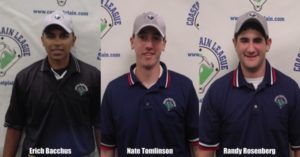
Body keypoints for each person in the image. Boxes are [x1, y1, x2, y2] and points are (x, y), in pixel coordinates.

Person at [198, 11, 300, 157]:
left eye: (257, 40)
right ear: (235, 43)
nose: (251, 48)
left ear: (268, 44)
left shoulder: (290, 90)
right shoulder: (217, 92)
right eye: (244, 40)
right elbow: (205, 151)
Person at [100, 11, 200, 157]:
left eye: (156, 38)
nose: (149, 45)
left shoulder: (184, 88)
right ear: (132, 41)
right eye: (142, 37)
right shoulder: (114, 91)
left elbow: (197, 147)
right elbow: (107, 149)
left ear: (164, 44)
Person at [3, 10, 101, 157]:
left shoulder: (92, 77)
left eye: (63, 36)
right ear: (42, 40)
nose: (57, 42)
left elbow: (99, 125)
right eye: (50, 36)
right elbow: (15, 126)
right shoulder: (25, 78)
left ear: (73, 39)